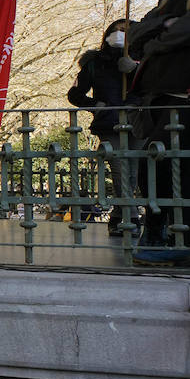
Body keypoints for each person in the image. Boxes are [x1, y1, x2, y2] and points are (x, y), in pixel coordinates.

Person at [129, 0, 190, 265]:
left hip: (182, 98)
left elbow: (175, 31)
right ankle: (156, 229)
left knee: (172, 169)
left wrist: (159, 36)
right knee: (154, 168)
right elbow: (142, 28)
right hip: (161, 98)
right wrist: (157, 30)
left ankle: (169, 232)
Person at [67, 19, 137, 236]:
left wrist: (135, 68)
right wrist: (95, 106)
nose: (120, 34)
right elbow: (75, 94)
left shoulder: (143, 59)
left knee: (132, 174)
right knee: (119, 169)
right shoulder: (94, 62)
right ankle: (130, 216)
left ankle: (118, 216)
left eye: (125, 31)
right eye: (117, 30)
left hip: (137, 121)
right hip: (109, 123)